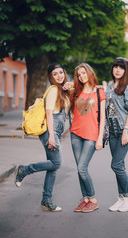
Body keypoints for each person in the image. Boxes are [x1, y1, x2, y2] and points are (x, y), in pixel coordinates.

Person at [15, 62, 70, 212]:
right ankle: (24, 170)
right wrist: (51, 136)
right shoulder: (53, 90)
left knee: (52, 167)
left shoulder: (62, 90)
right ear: (51, 77)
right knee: (57, 163)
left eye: (61, 72)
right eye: (55, 74)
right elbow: (49, 114)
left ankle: (46, 200)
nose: (59, 76)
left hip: (56, 132)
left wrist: (70, 86)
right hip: (49, 132)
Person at [70, 63, 106, 213]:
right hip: (75, 134)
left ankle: (93, 199)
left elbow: (103, 118)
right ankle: (85, 200)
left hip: (91, 135)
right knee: (79, 169)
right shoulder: (75, 92)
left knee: (82, 168)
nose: (81, 76)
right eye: (79, 75)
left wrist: (99, 138)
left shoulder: (99, 92)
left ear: (89, 73)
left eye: (84, 73)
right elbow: (72, 112)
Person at [105, 57, 128, 212]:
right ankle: (121, 198)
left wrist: (126, 130)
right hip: (112, 130)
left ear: (125, 70)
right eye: (115, 67)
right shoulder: (110, 86)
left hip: (123, 129)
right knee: (120, 165)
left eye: (121, 67)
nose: (117, 69)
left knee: (116, 164)